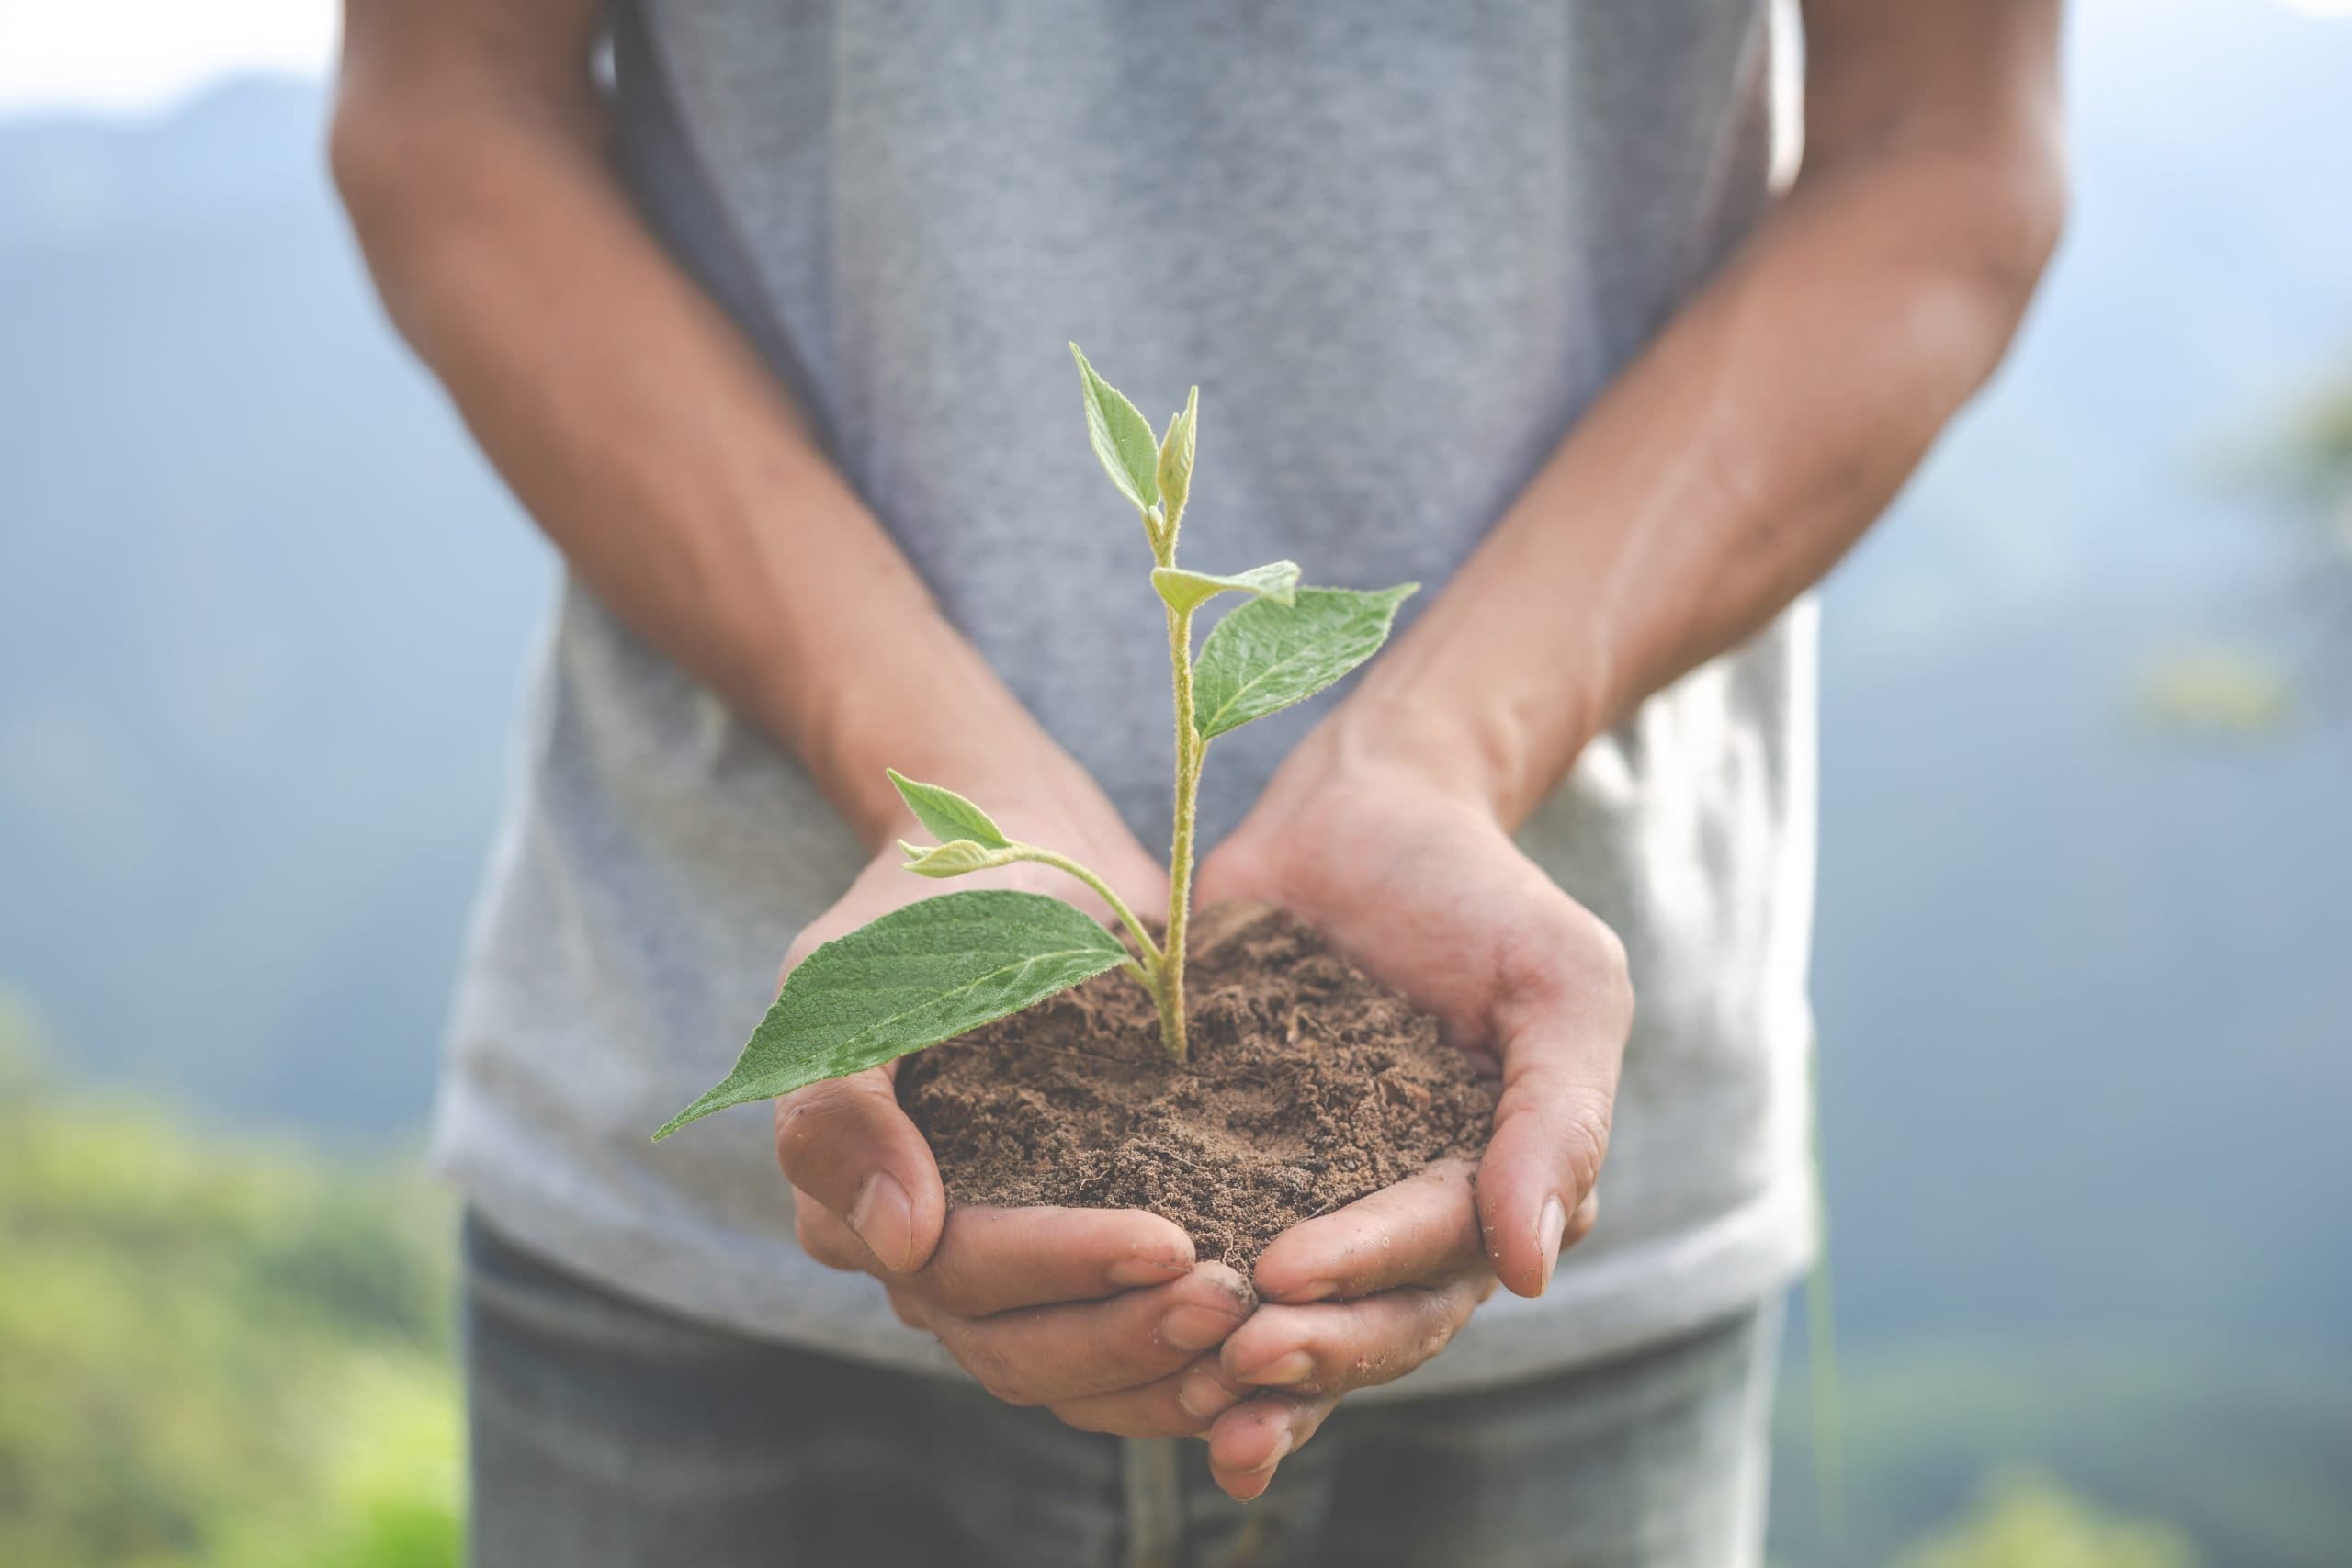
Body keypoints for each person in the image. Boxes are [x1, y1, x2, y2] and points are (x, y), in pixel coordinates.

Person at [331, 2, 2064, 1563]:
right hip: (692, 1238)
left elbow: (1945, 150)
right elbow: (450, 110)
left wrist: (1440, 751)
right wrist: (930, 762)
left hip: (1545, 1173)